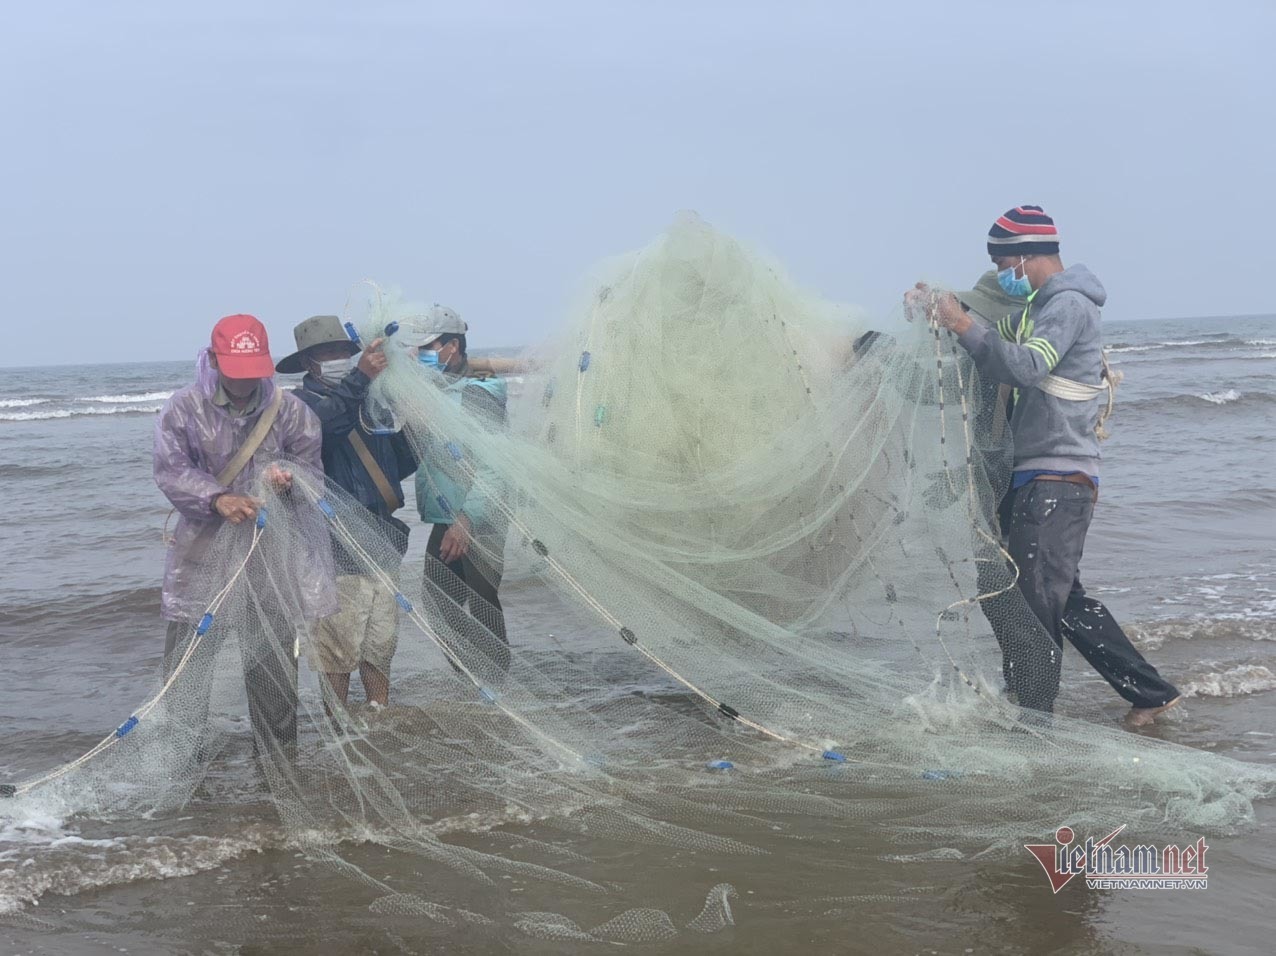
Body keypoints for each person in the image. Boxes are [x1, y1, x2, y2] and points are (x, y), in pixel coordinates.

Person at [917, 206, 1181, 724]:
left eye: (1002, 263)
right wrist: (938, 308)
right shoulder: (1037, 309)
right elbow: (989, 338)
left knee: (1033, 601)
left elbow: (1025, 364)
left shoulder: (1067, 306)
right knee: (1059, 597)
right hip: (1037, 473)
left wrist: (963, 320)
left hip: (1058, 476)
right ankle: (1151, 693)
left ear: (1024, 256)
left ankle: (1033, 717)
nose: (1001, 275)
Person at [154, 314, 334, 760]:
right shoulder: (183, 409)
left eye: (254, 370)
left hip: (267, 557)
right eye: (235, 370)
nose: (245, 382)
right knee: (188, 671)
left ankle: (278, 766)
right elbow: (171, 470)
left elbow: (312, 471)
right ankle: (184, 763)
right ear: (214, 359)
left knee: (272, 668)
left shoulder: (291, 411)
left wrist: (289, 481)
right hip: (201, 557)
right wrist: (216, 499)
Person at [276, 315, 418, 710]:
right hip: (333, 545)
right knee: (336, 648)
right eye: (328, 353)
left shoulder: (369, 399)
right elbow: (319, 430)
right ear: (309, 363)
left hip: (382, 538)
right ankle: (338, 725)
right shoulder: (296, 405)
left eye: (343, 351)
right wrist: (359, 380)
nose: (338, 358)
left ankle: (378, 713)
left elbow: (397, 464)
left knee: (380, 642)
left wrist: (414, 423)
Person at [401, 306, 512, 674]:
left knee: (482, 603)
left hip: (478, 516)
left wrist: (467, 520)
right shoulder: (436, 390)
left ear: (452, 346)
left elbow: (496, 464)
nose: (421, 355)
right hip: (446, 515)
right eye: (418, 349)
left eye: (429, 346)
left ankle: (494, 687)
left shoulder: (479, 392)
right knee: (438, 604)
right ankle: (475, 681)